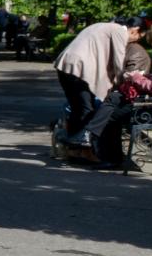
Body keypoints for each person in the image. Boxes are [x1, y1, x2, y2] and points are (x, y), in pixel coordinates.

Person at [52, 16, 143, 163]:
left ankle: (75, 151)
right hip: (78, 68)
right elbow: (118, 62)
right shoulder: (119, 31)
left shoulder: (103, 26)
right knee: (86, 109)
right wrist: (120, 85)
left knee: (77, 107)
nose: (135, 41)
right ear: (136, 30)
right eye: (138, 37)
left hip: (66, 65)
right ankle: (85, 151)